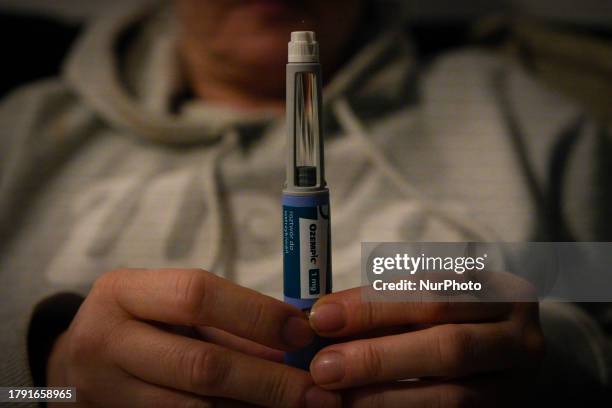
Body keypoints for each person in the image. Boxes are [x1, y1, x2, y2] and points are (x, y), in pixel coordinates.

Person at [0, 0, 610, 407]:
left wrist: (554, 362)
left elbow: (594, 307)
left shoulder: (517, 110)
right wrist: (48, 381)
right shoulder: (23, 132)